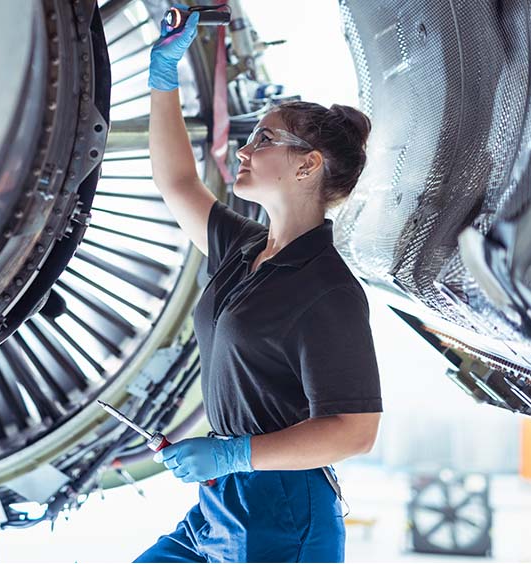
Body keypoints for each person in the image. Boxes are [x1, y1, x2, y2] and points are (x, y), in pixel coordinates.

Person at [134, 9, 382, 563]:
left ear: (308, 165)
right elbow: (177, 181)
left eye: (264, 139)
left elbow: (355, 432)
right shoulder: (243, 248)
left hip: (282, 514)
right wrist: (163, 78)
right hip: (223, 502)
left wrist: (233, 455)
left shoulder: (328, 289)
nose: (244, 150)